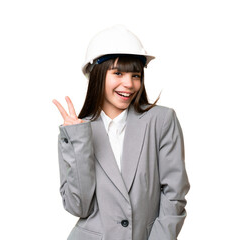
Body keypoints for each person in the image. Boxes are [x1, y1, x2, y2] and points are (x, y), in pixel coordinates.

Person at [52, 25, 190, 240]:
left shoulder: (161, 120)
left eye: (136, 75)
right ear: (96, 75)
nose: (129, 84)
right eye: (118, 73)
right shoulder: (76, 131)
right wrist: (77, 138)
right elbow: (78, 207)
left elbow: (174, 195)